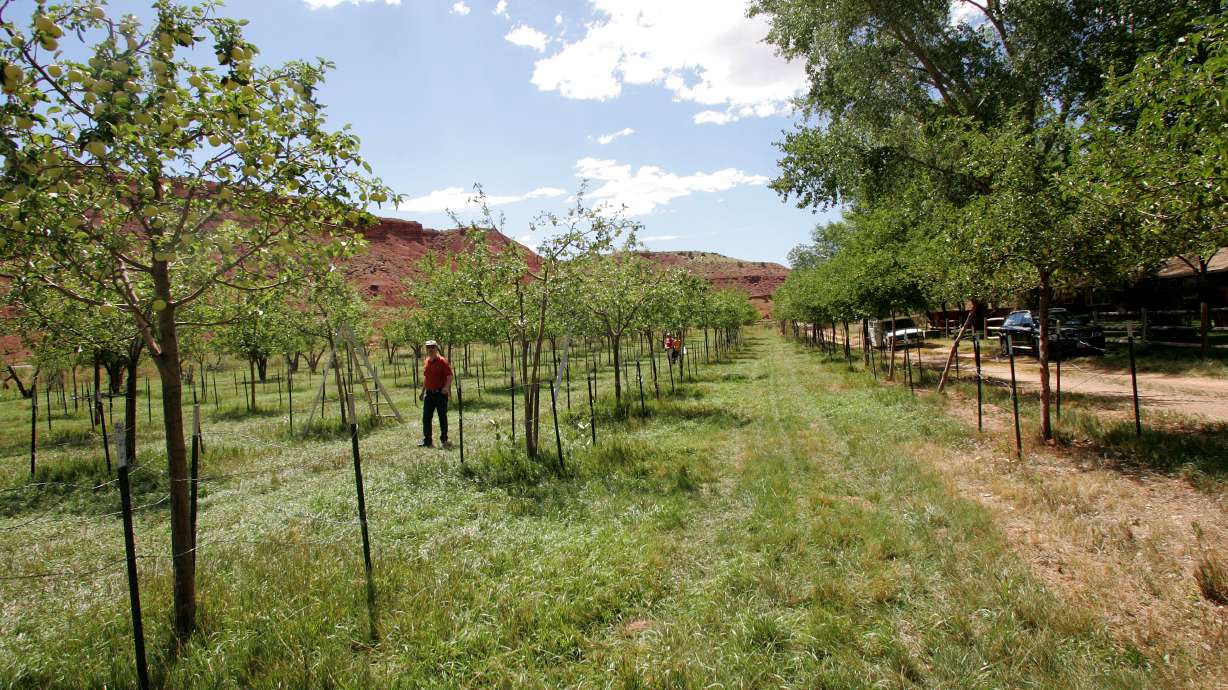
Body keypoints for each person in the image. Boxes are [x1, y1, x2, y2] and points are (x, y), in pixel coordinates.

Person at [418, 340, 453, 448]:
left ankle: (444, 439)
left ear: (436, 348)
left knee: (442, 417)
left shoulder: (442, 361)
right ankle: (427, 441)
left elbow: (450, 376)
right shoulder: (427, 361)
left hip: (440, 394)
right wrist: (422, 391)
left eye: (432, 347)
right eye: (428, 347)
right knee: (426, 418)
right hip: (429, 394)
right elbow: (426, 378)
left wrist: (446, 388)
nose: (430, 349)